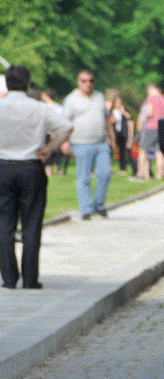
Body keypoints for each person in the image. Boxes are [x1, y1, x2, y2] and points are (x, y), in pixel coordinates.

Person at [0, 65, 72, 289]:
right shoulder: (39, 108)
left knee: (4, 225)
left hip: (3, 166)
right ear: (28, 83)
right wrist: (49, 148)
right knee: (31, 224)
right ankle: (30, 278)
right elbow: (66, 126)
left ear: (7, 84)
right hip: (31, 166)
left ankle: (9, 278)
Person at [62, 69, 116, 220]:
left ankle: (98, 204)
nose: (88, 84)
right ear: (78, 82)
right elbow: (65, 122)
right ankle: (86, 208)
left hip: (100, 142)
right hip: (80, 143)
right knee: (84, 177)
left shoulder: (99, 97)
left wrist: (112, 139)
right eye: (84, 81)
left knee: (105, 173)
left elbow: (107, 119)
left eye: (90, 81)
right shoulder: (71, 99)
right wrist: (64, 141)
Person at [136, 84, 164, 181]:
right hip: (162, 127)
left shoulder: (151, 98)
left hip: (152, 126)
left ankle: (140, 173)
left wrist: (144, 119)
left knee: (143, 149)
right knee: (159, 151)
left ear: (152, 89)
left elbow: (149, 113)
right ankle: (159, 175)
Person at [110, 96, 135, 176]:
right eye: (117, 102)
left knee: (122, 151)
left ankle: (123, 168)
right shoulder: (112, 111)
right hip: (114, 133)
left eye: (120, 102)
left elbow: (130, 118)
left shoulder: (124, 111)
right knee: (111, 150)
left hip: (122, 133)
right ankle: (109, 168)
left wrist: (123, 112)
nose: (118, 104)